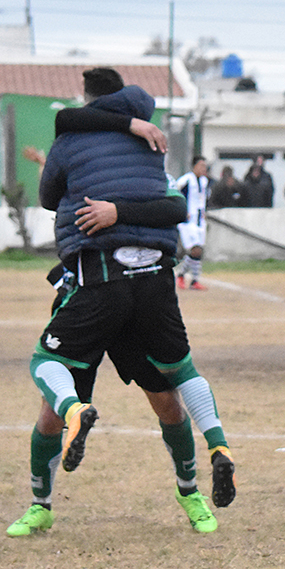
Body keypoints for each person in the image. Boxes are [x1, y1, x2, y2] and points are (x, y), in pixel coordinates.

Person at [7, 69, 235, 537]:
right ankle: (195, 489)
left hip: (98, 280)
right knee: (169, 397)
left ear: (88, 99)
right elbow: (172, 207)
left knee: (55, 398)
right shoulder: (152, 138)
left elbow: (50, 196)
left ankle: (42, 502)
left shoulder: (71, 139)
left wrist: (93, 200)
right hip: (148, 280)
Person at [175, 156, 210, 290]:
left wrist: (204, 211)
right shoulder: (186, 180)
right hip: (188, 221)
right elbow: (175, 193)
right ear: (194, 166)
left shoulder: (204, 181)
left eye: (204, 166)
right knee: (195, 249)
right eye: (201, 165)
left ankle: (191, 279)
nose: (203, 169)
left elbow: (202, 199)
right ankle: (186, 276)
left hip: (200, 221)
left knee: (199, 250)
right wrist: (182, 209)